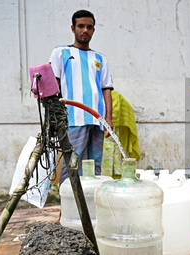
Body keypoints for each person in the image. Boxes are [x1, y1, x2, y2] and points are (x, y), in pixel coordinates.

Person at [49, 10, 114, 185]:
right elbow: (53, 87)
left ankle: (91, 210)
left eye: (89, 27)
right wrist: (54, 118)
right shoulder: (60, 53)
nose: (85, 30)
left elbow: (106, 89)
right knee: (72, 164)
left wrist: (108, 118)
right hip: (73, 118)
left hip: (97, 120)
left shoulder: (100, 58)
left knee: (94, 167)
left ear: (93, 30)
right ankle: (69, 209)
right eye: (81, 26)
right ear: (73, 28)